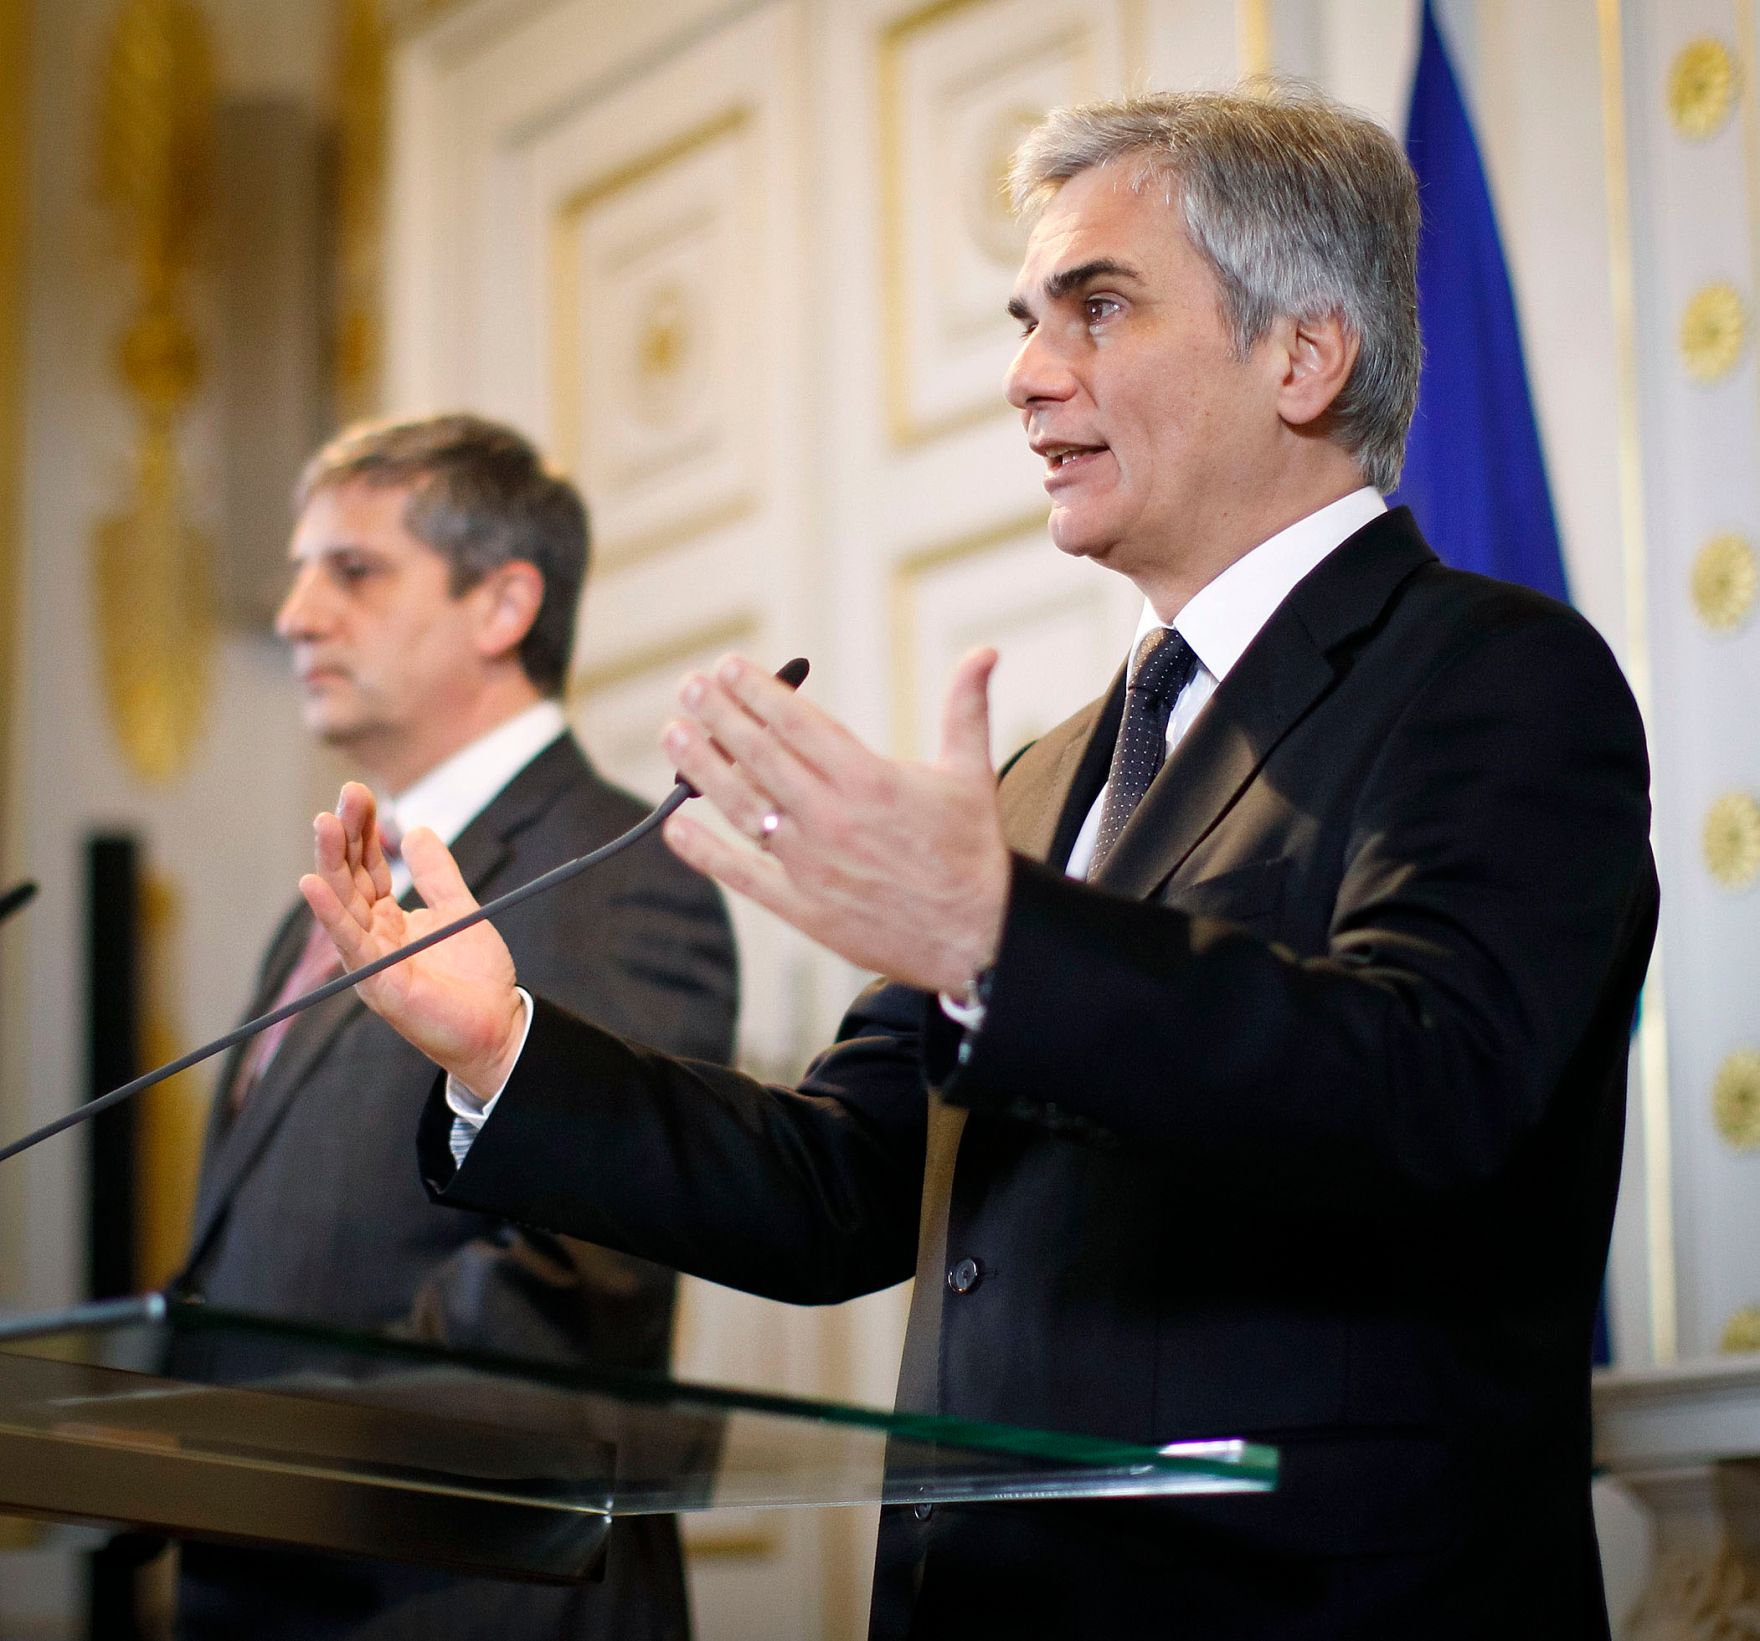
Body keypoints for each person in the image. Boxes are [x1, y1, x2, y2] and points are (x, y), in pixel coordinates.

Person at [302, 90, 1657, 1639]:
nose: (1025, 378)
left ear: (1304, 351)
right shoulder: (1037, 781)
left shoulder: (1494, 677)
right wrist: (504, 1051)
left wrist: (1002, 943)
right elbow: (838, 1186)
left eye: (1097, 306)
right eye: (1028, 319)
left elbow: (1431, 1085)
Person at [174, 414, 737, 1641]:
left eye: (354, 571)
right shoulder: (327, 895)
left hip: (458, 1597)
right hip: (270, 1584)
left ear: (502, 606)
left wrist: (255, 1453)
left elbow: (577, 1269)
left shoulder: (617, 869)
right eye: (299, 572)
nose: (295, 615)